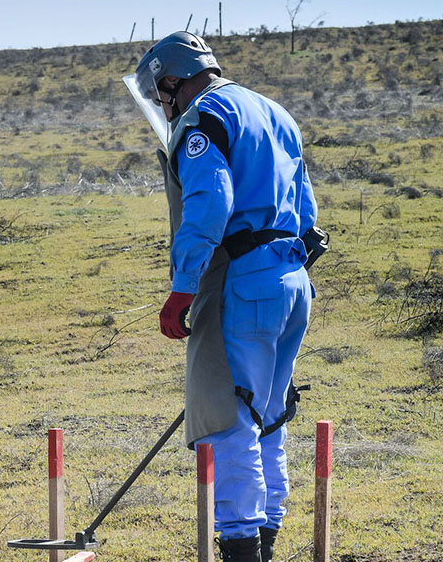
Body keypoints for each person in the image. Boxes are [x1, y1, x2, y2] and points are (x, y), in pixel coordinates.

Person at [124, 32, 317, 562]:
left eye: (160, 93)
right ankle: (267, 537)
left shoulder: (203, 120)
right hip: (293, 282)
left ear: (170, 81)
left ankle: (240, 546)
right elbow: (306, 209)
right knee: (269, 415)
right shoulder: (274, 112)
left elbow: (209, 205)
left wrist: (181, 287)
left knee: (228, 420)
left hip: (243, 285)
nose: (163, 105)